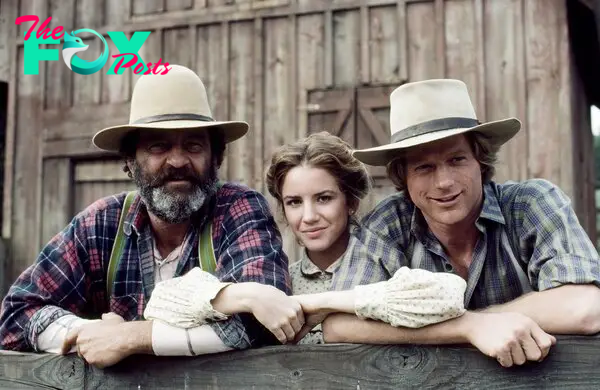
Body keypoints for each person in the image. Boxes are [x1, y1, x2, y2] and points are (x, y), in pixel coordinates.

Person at [0, 65, 304, 368]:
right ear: (130, 161)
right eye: (158, 146)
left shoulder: (237, 210)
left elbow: (265, 319)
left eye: (193, 145)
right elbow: (16, 316)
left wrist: (131, 337)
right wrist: (89, 333)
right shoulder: (101, 225)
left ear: (216, 157)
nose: (177, 160)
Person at [318, 79, 600, 367]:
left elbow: (586, 307)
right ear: (404, 177)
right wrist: (468, 327)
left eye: (457, 160)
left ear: (480, 161)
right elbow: (339, 325)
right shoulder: (390, 222)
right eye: (424, 167)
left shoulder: (531, 204)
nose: (444, 183)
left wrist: (478, 320)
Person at [144, 132, 468, 344]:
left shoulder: (387, 255)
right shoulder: (279, 281)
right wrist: (246, 294)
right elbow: (162, 302)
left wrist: (320, 305)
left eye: (324, 198)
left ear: (350, 201)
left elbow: (448, 299)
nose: (309, 216)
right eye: (295, 202)